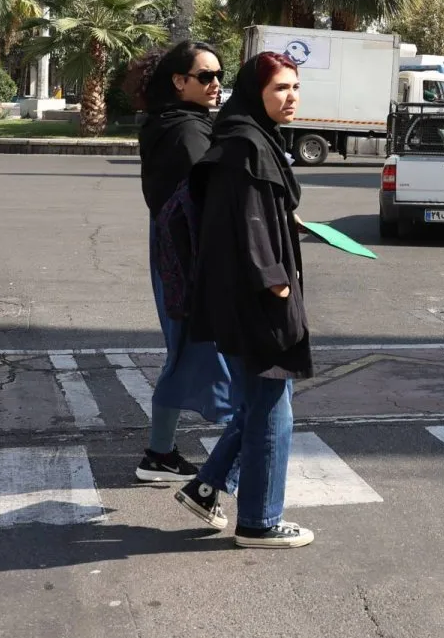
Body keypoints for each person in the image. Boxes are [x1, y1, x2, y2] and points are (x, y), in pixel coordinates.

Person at [175, 52, 315, 549]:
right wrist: (274, 281)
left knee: (262, 402)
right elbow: (248, 220)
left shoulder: (252, 137)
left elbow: (252, 206)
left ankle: (206, 487)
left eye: (295, 87)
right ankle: (259, 521)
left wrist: (286, 219)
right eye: (280, 88)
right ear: (256, 92)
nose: (291, 97)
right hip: (254, 298)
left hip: (241, 294)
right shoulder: (246, 145)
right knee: (273, 407)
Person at [134, 41, 232, 484]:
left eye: (219, 76)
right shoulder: (189, 132)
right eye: (205, 76)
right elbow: (210, 200)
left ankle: (159, 454)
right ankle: (235, 466)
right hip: (190, 256)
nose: (216, 84)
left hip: (171, 251)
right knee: (217, 357)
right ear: (179, 81)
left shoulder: (167, 122)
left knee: (186, 353)